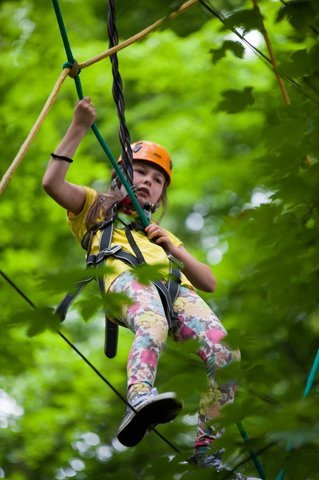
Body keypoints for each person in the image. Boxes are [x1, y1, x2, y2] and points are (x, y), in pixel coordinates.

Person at [42, 97, 260, 480]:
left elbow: (208, 282)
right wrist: (78, 125)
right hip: (127, 282)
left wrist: (173, 248)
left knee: (227, 352)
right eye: (139, 172)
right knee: (153, 321)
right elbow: (52, 183)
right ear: (120, 175)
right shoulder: (94, 208)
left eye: (157, 180)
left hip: (176, 292)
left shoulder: (164, 236)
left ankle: (208, 449)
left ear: (161, 195)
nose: (147, 181)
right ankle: (139, 395)